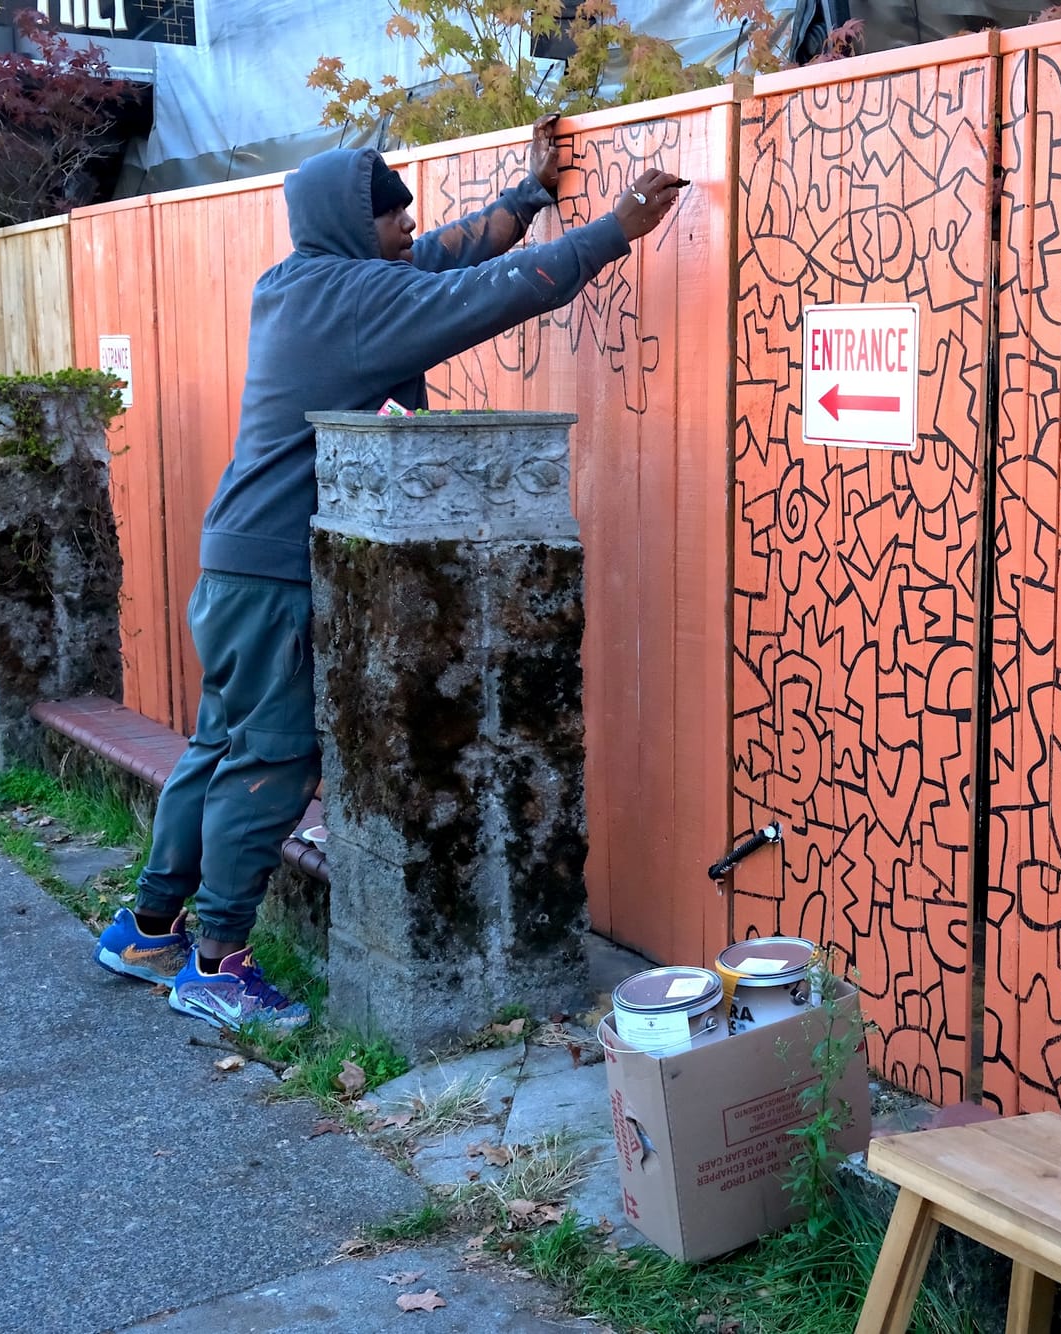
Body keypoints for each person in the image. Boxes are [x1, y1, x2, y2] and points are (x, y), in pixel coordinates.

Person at [91, 114, 684, 1033]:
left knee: (216, 749)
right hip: (281, 574)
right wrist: (613, 231)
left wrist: (527, 196)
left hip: (235, 565)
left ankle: (147, 928)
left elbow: (448, 254)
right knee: (273, 762)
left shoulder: (300, 284)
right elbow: (496, 290)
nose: (410, 231)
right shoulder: (356, 301)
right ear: (349, 226)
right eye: (393, 220)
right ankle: (216, 962)